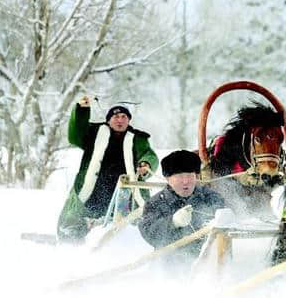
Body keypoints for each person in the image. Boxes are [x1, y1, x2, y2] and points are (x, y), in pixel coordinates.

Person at [57, 95, 158, 242]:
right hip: (92, 191)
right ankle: (72, 246)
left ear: (128, 120)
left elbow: (149, 155)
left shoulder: (137, 138)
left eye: (124, 116)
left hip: (125, 194)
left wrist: (146, 164)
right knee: (75, 222)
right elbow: (75, 135)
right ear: (108, 119)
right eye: (116, 116)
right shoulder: (93, 133)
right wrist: (81, 110)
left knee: (128, 227)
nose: (120, 120)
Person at [138, 150, 226, 266]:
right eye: (179, 176)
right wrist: (173, 222)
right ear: (168, 179)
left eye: (190, 175)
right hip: (168, 268)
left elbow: (223, 218)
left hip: (208, 266)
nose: (186, 181)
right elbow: (149, 233)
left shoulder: (210, 197)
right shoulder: (155, 203)